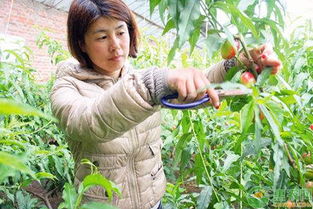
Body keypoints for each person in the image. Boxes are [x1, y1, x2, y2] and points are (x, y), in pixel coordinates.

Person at [50, 0, 282, 208]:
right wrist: (154, 83)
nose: (116, 45)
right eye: (102, 37)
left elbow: (194, 87)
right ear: (81, 43)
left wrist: (236, 65)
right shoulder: (67, 87)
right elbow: (87, 122)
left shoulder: (134, 79)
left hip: (153, 201)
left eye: (121, 32)